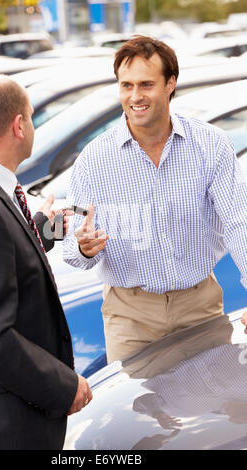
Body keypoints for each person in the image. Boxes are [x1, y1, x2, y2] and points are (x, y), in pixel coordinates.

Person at [63, 35, 247, 363]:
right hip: (130, 316)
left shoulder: (211, 145)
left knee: (214, 409)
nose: (135, 96)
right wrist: (81, 247)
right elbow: (70, 241)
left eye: (146, 84)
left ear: (170, 84)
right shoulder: (92, 160)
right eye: (126, 85)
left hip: (200, 307)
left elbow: (238, 221)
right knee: (135, 414)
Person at [0, 74, 92, 450]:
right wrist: (63, 386)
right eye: (31, 117)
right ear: (19, 125)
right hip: (3, 426)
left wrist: (39, 232)